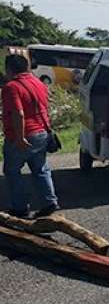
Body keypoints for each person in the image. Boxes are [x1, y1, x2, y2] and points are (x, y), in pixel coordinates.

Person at [1, 55, 60, 219]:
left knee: (12, 171)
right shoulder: (38, 83)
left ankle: (20, 208)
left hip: (23, 135)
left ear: (9, 68)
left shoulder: (11, 87)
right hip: (42, 132)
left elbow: (18, 113)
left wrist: (19, 138)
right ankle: (49, 202)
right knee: (41, 169)